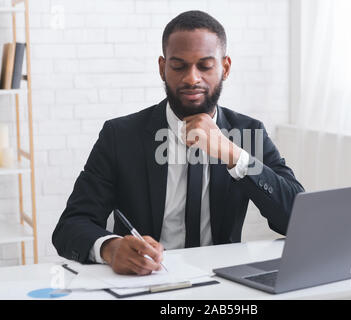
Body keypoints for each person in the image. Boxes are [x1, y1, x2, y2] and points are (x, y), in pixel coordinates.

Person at [52, 10, 304, 275]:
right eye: (179, 66)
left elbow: (298, 220)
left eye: (205, 66)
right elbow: (70, 225)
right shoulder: (120, 136)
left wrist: (232, 153)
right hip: (143, 282)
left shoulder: (248, 132)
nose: (192, 78)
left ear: (225, 68)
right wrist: (111, 248)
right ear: (162, 68)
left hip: (222, 284)